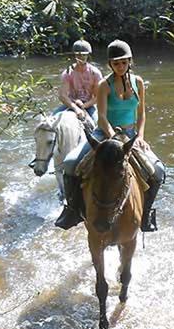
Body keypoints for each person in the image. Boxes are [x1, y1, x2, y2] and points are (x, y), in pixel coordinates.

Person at [55, 39, 166, 232]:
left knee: (158, 171)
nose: (120, 67)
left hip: (130, 135)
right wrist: (113, 136)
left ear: (130, 61)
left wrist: (139, 136)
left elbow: (141, 113)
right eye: (116, 63)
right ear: (110, 64)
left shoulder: (138, 82)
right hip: (105, 134)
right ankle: (72, 211)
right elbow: (102, 117)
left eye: (124, 62)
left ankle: (146, 214)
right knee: (71, 163)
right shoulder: (104, 85)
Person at [56, 39, 102, 122]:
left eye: (84, 55)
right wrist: (75, 108)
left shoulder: (95, 73)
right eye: (78, 55)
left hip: (88, 105)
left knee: (97, 125)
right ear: (74, 56)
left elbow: (97, 96)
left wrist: (84, 106)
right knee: (50, 121)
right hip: (70, 104)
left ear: (88, 55)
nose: (81, 57)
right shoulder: (68, 72)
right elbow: (62, 95)